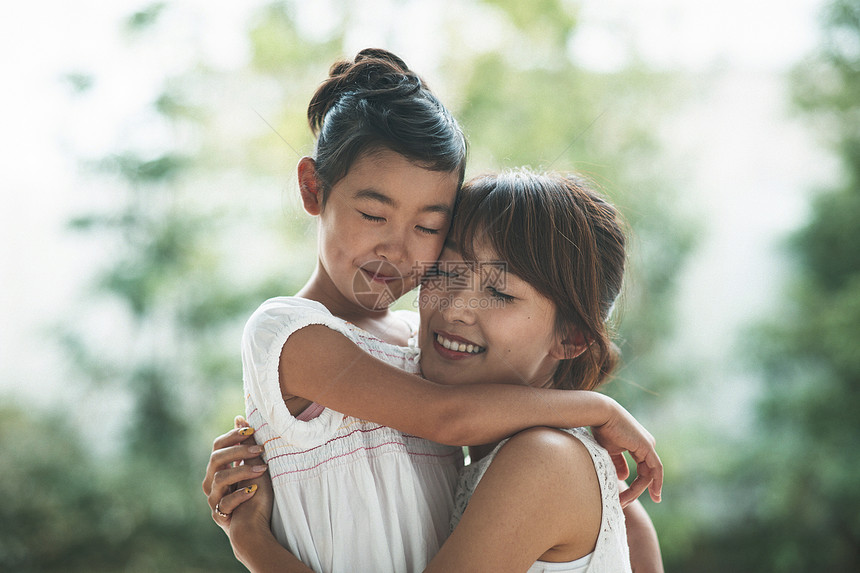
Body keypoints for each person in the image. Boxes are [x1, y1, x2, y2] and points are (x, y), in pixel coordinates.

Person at [203, 49, 662, 572]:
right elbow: (446, 417)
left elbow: (450, 419)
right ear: (313, 188)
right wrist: (596, 409)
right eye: (448, 272)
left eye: (426, 229)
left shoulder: (434, 367)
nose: (397, 250)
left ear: (571, 338)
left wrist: (252, 544)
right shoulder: (290, 332)